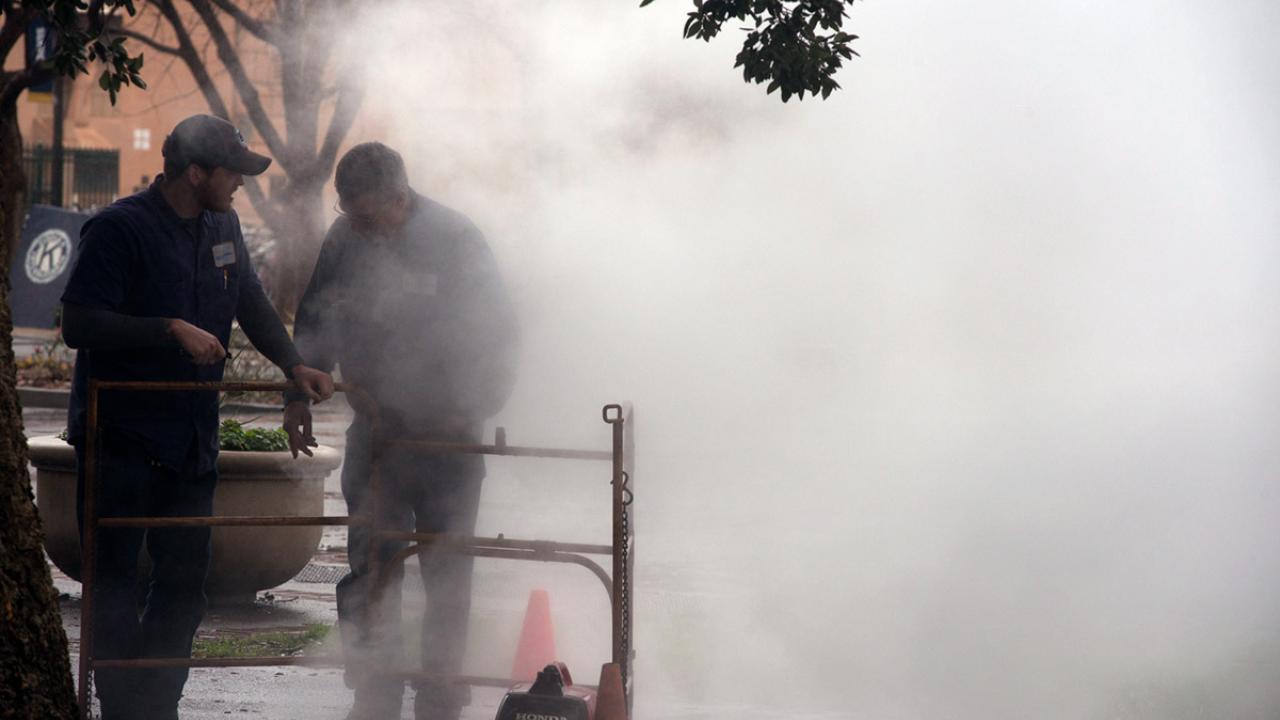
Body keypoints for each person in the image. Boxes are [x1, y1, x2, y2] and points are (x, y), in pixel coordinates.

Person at [60, 114, 334, 720]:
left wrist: (293, 365)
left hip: (190, 439)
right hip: (121, 438)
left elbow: (250, 301)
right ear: (194, 172)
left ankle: (158, 705)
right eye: (232, 172)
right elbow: (78, 323)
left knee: (185, 583)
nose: (241, 182)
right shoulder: (119, 228)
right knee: (113, 582)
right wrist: (168, 328)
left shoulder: (223, 223)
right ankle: (122, 708)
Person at [283, 142, 518, 720]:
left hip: (448, 438)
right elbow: (315, 318)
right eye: (347, 215)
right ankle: (374, 687)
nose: (357, 228)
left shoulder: (456, 238)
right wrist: (297, 394)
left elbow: (498, 331)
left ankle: (440, 694)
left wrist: (474, 405)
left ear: (398, 198)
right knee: (370, 563)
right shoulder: (346, 239)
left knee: (448, 571)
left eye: (366, 217)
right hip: (377, 431)